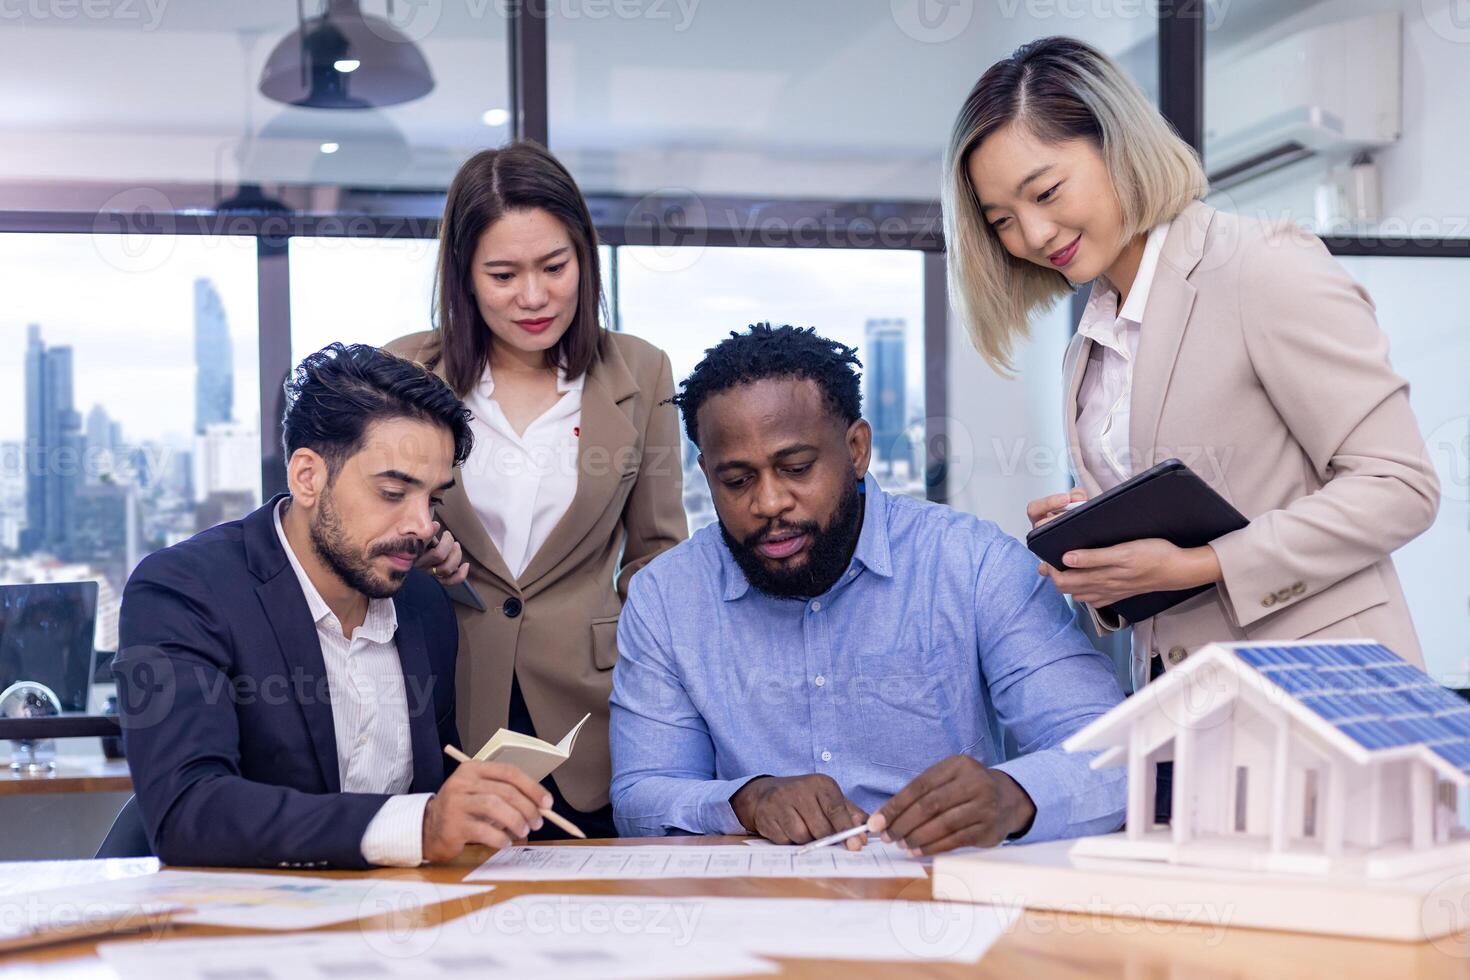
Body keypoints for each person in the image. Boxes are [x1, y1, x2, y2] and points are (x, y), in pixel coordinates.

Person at [942, 36, 1439, 694]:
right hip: (1182, 712)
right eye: (1003, 219)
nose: (1032, 236)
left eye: (1048, 191)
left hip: (1326, 702)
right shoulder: (1092, 340)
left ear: (1119, 146)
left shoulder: (1261, 267)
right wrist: (1101, 540)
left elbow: (1400, 487)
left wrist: (1201, 564)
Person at [608, 324, 1126, 854]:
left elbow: (1115, 752)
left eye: (796, 468)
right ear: (707, 474)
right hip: (755, 916)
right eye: (737, 481)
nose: (768, 504)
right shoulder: (666, 599)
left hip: (944, 909)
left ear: (857, 448)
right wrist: (746, 800)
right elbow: (640, 796)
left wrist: (1012, 796)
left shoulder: (973, 566)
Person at [114, 344, 552, 869]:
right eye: (393, 492)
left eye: (433, 499)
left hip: (399, 925)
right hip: (240, 928)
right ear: (307, 477)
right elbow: (188, 809)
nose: (423, 526)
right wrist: (420, 825)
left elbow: (434, 789)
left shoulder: (424, 604)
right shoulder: (184, 590)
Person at [387, 141, 684, 840]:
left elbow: (658, 556)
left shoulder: (640, 372)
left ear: (585, 257)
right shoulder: (403, 370)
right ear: (463, 275)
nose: (533, 296)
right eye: (502, 273)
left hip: (591, 713)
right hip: (448, 693)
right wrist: (417, 557)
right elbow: (365, 524)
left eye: (555, 267)